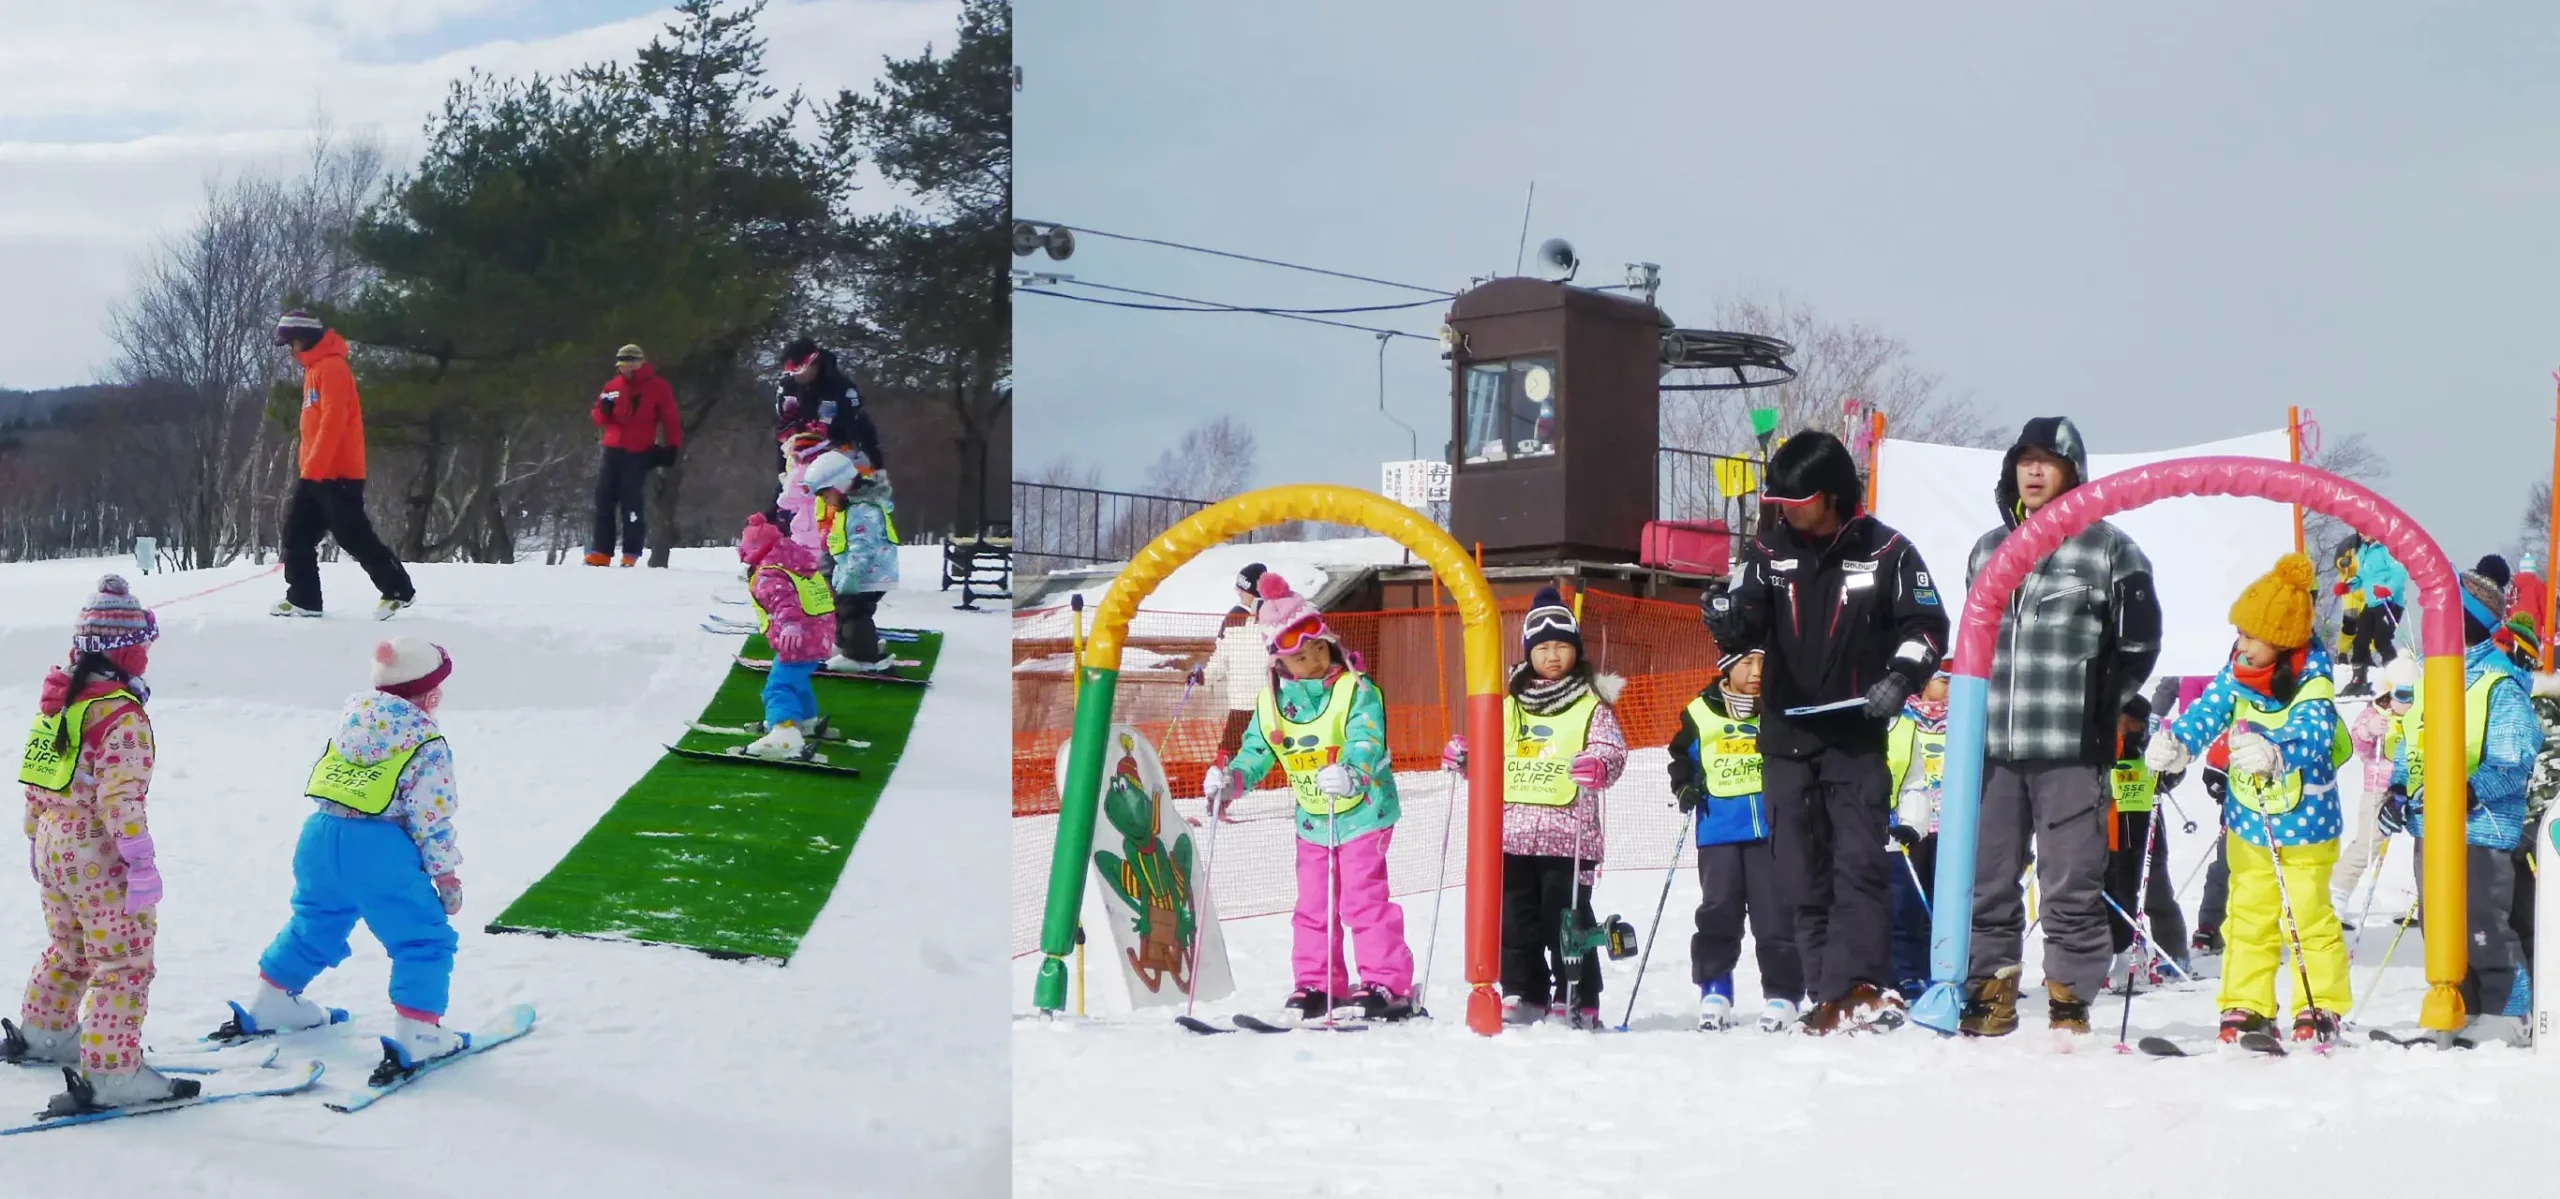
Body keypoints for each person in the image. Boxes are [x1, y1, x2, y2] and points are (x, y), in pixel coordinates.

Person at [1699, 430, 1948, 1034]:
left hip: (1856, 735)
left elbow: (1928, 626)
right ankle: (1825, 994)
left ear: (1832, 494)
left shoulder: (1887, 550)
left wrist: (1902, 677)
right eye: (1778, 500)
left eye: (1797, 498)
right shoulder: (1767, 551)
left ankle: (1863, 986)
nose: (1785, 510)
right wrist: (1723, 618)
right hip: (1786, 738)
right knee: (1800, 871)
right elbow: (1744, 626)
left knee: (1859, 863)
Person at [1958, 417, 2163, 1038]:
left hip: (2071, 743)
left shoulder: (2110, 548)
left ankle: (2069, 998)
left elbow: (2141, 642)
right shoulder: (1988, 549)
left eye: (2050, 461)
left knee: (2070, 879)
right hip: (1993, 742)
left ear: (2074, 471)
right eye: (2026, 460)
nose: (2036, 471)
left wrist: (2105, 707)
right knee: (1987, 877)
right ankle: (1988, 992)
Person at [222, 639, 470, 1073]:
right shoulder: (427, 742)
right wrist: (445, 876)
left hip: (320, 836)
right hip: (379, 849)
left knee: (315, 921)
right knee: (423, 937)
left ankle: (272, 1000)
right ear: (429, 697)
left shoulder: (352, 721)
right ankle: (420, 1032)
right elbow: (431, 817)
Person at [2148, 552, 2352, 1044]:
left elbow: (2316, 731)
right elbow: (2208, 709)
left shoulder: (2312, 679)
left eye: (2251, 638)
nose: (2240, 646)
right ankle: (2247, 1003)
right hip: (2249, 822)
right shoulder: (2239, 669)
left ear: (2281, 643)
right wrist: (2179, 744)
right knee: (2248, 913)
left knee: (2305, 916)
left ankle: (2319, 1003)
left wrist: (2275, 749)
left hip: (2305, 823)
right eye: (2239, 635)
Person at [1, 577, 188, 1113]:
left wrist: (36, 836)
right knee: (123, 962)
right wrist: (140, 863)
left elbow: (39, 778)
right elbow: (121, 800)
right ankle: (112, 1072)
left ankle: (43, 1030)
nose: (147, 655)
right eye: (143, 647)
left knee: (70, 947)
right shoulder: (120, 716)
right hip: (99, 852)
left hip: (54, 844)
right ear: (126, 651)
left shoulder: (59, 702)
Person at [1202, 573, 1414, 1021]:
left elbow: (1366, 737)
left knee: (1362, 900)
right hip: (1315, 819)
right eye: (1299, 656)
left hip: (1363, 811)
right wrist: (1231, 783)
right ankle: (1317, 983)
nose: (1314, 660)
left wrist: (1353, 771)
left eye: (1319, 648)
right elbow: (1256, 753)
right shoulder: (1272, 702)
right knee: (1315, 904)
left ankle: (1385, 982)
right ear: (1280, 662)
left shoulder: (1355, 689)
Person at [1442, 587, 1628, 1029]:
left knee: (1564, 917)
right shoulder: (1510, 706)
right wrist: (1467, 758)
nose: (1552, 655)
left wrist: (1597, 763)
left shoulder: (1589, 703)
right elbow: (1493, 753)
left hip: (1568, 836)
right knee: (1514, 920)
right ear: (1528, 654)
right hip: (1511, 834)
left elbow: (1611, 748)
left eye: (1561, 645)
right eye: (1542, 647)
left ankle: (1577, 993)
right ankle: (1524, 989)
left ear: (1576, 650)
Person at [2383, 567, 2543, 1043]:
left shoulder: (2497, 683)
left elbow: (2514, 757)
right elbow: (2409, 744)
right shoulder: (2433, 681)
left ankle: (2507, 1013)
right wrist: (2396, 792)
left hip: (2480, 828)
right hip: (2432, 827)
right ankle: (2463, 1008)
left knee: (2482, 925)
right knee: (2441, 928)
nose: (2429, 623)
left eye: (2440, 614)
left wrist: (2470, 789)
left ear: (2464, 621)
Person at [1669, 649, 1805, 1032]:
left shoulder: (1778, 708)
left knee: (1775, 914)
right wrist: (1685, 787)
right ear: (1727, 668)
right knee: (1718, 910)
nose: (1757, 672)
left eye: (1764, 663)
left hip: (1770, 830)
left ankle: (1783, 992)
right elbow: (1682, 757)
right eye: (1747, 663)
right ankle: (1715, 988)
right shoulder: (1699, 712)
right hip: (1719, 832)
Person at [272, 310, 416, 620]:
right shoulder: (314, 370)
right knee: (297, 534)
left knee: (352, 535)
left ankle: (399, 590)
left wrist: (315, 468)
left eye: (290, 344)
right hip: (315, 471)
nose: (290, 351)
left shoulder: (333, 368)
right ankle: (304, 598)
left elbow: (333, 423)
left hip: (337, 474)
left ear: (304, 339)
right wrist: (309, 468)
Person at [2102, 695, 2190, 990]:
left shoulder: (2148, 748)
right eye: (2120, 722)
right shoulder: (2104, 746)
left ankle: (2174, 953)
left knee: (2157, 896)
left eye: (2132, 723)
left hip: (2146, 833)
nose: (2125, 728)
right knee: (2117, 896)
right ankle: (2119, 953)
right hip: (2113, 833)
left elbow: (2173, 772)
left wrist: (2167, 769)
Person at [738, 514, 836, 760]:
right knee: (797, 681)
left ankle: (785, 733)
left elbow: (784, 600)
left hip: (799, 637)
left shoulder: (768, 573)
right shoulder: (795, 562)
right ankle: (805, 720)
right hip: (820, 634)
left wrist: (791, 624)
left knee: (778, 686)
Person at [2331, 654, 2418, 920]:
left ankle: (2420, 899)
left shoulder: (2422, 715)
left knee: (2426, 844)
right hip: (2380, 788)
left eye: (2415, 693)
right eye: (2403, 694)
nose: (2409, 701)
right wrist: (2369, 730)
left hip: (2415, 788)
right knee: (2368, 843)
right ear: (2388, 692)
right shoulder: (2374, 713)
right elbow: (2357, 744)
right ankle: (2336, 895)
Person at [1884, 664, 1951, 1000]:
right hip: (1913, 826)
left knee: (1942, 902)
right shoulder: (1905, 718)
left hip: (1947, 823)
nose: (1949, 687)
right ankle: (1909, 969)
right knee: (1910, 899)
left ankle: (1937, 967)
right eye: (1943, 680)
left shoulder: (1959, 720)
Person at [802, 449, 902, 675]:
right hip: (857, 573)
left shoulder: (862, 510)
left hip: (868, 574)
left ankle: (861, 657)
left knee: (853, 611)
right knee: (843, 607)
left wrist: (852, 574)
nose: (824, 501)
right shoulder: (851, 507)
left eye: (825, 494)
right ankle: (846, 645)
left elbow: (862, 546)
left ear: (840, 486)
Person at [586, 344, 682, 567]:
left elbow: (670, 419)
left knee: (632, 501)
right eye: (622, 365)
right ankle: (601, 551)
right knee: (603, 498)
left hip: (638, 451)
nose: (626, 369)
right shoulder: (612, 385)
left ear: (640, 364)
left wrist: (672, 446)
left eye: (630, 365)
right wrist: (603, 411)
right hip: (612, 448)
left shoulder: (657, 387)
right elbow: (599, 416)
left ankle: (631, 552)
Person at [1198, 563, 1270, 779]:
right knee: (1228, 749)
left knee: (1278, 747)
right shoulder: (1233, 618)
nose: (1239, 593)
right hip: (1241, 700)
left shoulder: (1272, 617)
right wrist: (1205, 676)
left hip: (1269, 701)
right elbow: (1221, 656)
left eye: (1243, 589)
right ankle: (1217, 799)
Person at [777, 339, 888, 477]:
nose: (796, 374)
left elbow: (861, 429)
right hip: (798, 462)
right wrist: (782, 470)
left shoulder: (842, 389)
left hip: (838, 461)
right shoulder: (787, 389)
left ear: (814, 362)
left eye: (800, 368)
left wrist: (876, 468)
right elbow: (783, 430)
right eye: (790, 370)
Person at [2335, 538, 2410, 695]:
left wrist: (2388, 589)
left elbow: (2400, 574)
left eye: (2366, 528)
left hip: (2390, 602)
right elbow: (2362, 577)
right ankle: (2358, 680)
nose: (2363, 533)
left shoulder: (2387, 548)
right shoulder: (2364, 551)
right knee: (2360, 640)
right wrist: (2348, 586)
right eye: (2361, 530)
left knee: (2381, 639)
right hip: (2372, 602)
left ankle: (2397, 681)